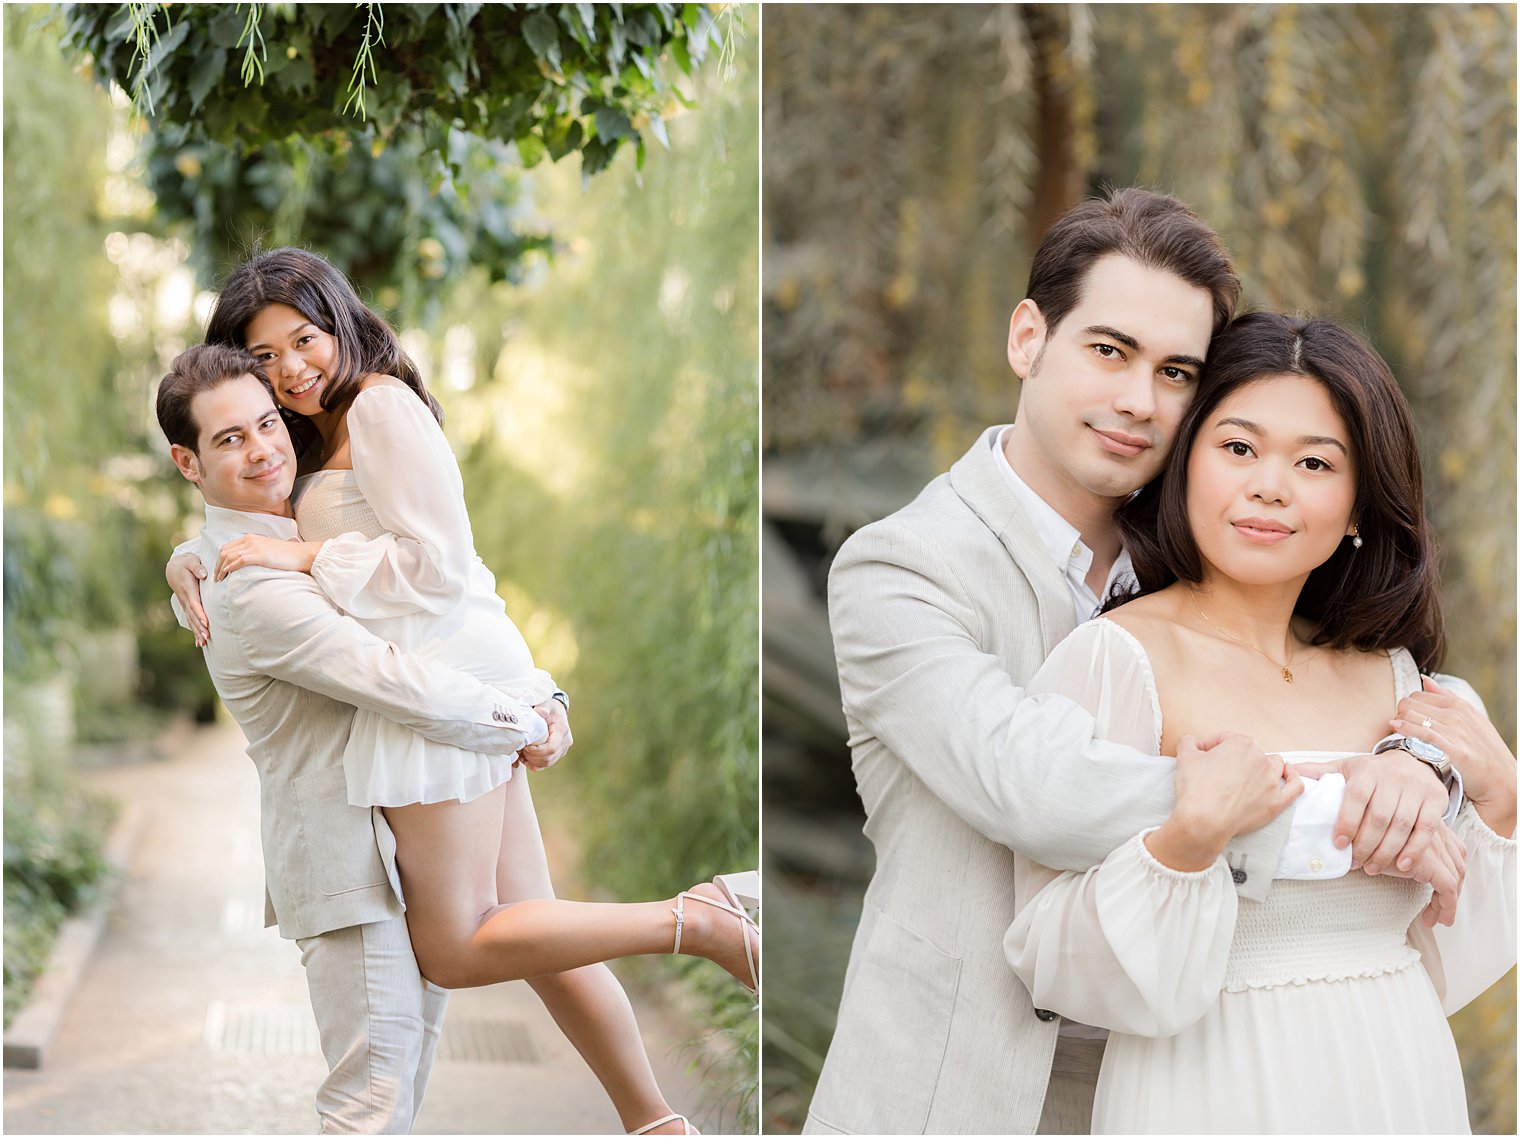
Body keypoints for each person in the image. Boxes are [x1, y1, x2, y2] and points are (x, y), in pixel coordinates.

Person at [806, 188, 1466, 1135]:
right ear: (1028, 338)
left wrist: (1423, 758)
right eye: (1108, 351)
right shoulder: (901, 568)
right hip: (962, 1090)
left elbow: (1363, 661)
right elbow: (1035, 785)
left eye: (1176, 373)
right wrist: (1336, 804)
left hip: (1178, 1082)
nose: (1137, 400)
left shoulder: (1214, 546)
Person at [165, 249, 756, 1138]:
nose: (290, 369)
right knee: (535, 931)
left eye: (304, 339)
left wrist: (307, 555)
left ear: (341, 322)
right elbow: (254, 515)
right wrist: (191, 556)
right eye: (266, 355)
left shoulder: (380, 406)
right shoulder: (307, 430)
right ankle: (656, 1123)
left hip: (439, 679)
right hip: (445, 675)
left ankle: (696, 919)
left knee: (454, 943)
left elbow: (441, 570)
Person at [1004, 311, 1516, 1133]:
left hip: (1396, 1069)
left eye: (1314, 462)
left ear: (1358, 506)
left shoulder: (1395, 680)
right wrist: (1186, 844)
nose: (1269, 485)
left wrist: (1500, 797)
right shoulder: (1111, 660)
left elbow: (1456, 949)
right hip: (1205, 1081)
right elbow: (1047, 956)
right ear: (1184, 466)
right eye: (1238, 448)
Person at [156, 344, 573, 1133]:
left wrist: (539, 696)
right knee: (368, 1107)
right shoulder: (247, 583)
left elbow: (442, 601)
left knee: (393, 1099)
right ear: (188, 461)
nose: (263, 449)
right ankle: (696, 922)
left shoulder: (296, 527)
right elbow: (397, 679)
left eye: (267, 424)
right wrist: (528, 720)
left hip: (409, 847)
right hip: (349, 873)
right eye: (229, 440)